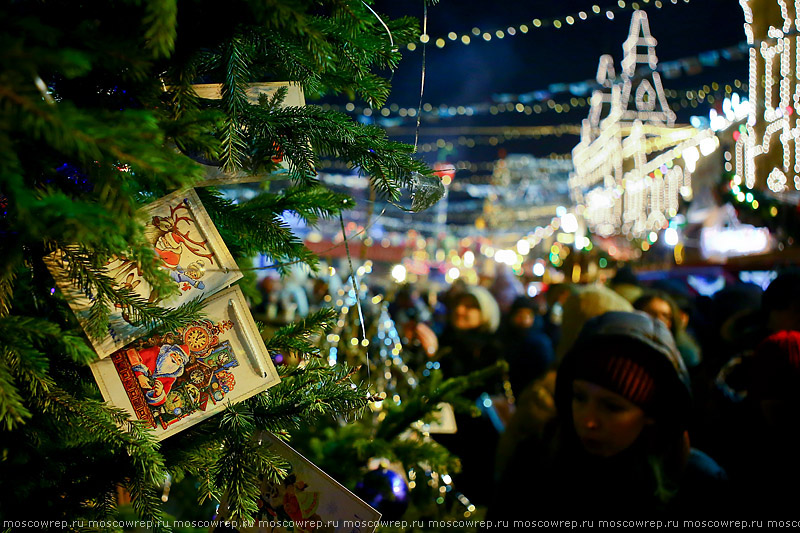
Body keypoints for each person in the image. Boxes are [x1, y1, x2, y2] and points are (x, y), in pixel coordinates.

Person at [489, 311, 727, 522]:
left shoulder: (696, 483)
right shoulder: (534, 462)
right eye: (580, 397)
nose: (588, 421)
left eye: (612, 407)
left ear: (652, 413)